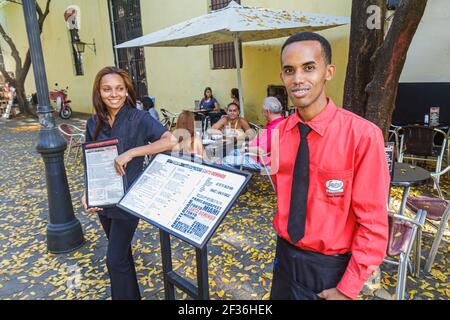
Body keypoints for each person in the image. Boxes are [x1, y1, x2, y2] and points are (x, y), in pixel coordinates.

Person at [269, 32, 389, 300]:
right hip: (285, 259)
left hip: (330, 270)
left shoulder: (362, 136)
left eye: (309, 68)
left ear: (328, 72)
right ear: (282, 77)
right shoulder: (279, 135)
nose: (298, 79)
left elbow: (373, 222)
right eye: (290, 70)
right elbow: (285, 194)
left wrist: (348, 289)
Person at [81, 66, 177, 300]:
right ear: (99, 92)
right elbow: (90, 163)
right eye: (107, 89)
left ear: (126, 91)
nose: (113, 94)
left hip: (129, 200)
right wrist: (88, 192)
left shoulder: (139, 118)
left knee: (114, 260)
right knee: (122, 256)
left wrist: (133, 152)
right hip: (103, 200)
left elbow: (171, 140)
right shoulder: (93, 123)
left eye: (119, 88)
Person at [221, 96, 284, 170]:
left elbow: (261, 150)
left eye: (263, 111)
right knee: (232, 152)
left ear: (268, 111)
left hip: (263, 161)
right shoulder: (280, 122)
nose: (263, 114)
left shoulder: (275, 128)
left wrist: (245, 149)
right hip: (258, 154)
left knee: (225, 161)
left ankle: (239, 178)